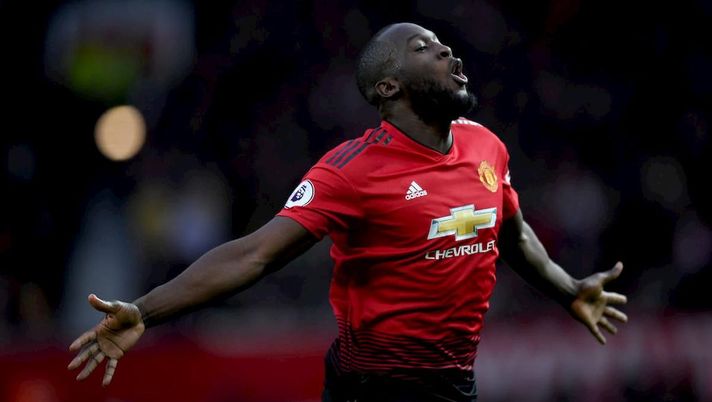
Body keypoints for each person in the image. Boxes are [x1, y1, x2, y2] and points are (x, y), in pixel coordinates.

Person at [67, 22, 628, 402]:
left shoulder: (487, 146)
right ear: (389, 86)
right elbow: (255, 254)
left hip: (455, 384)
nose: (446, 52)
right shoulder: (352, 170)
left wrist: (568, 289)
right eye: (423, 48)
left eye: (442, 44)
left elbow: (513, 234)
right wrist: (146, 310)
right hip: (375, 386)